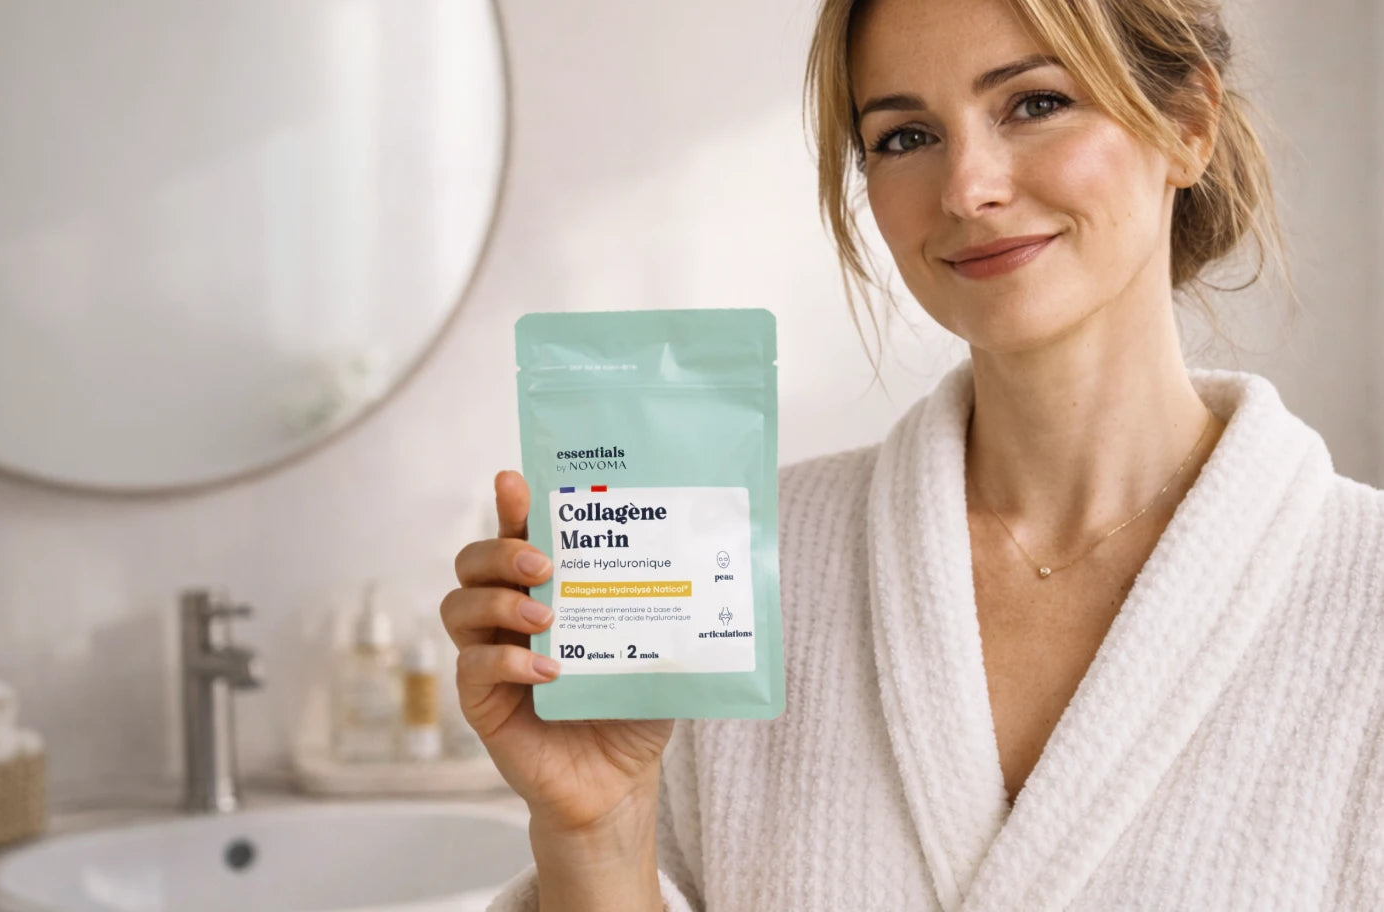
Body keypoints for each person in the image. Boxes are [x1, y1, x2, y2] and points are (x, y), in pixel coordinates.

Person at [444, 0, 1384, 908]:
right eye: (905, 137)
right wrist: (597, 829)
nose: (967, 187)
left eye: (1036, 102)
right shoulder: (747, 575)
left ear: (1188, 123)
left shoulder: (1363, 594)